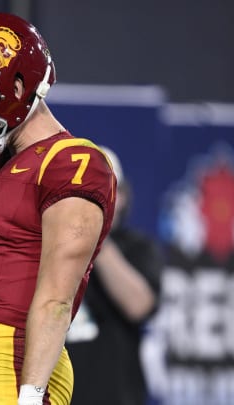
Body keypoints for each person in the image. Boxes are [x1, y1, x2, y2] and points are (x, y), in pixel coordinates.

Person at [0, 13, 117, 405]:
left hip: (14, 360)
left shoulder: (73, 161)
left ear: (16, 85)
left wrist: (30, 396)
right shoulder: (11, 161)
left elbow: (56, 300)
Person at [65, 147, 163, 405]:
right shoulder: (48, 246)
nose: (95, 199)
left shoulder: (137, 248)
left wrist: (97, 238)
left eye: (105, 189)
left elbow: (139, 305)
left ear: (124, 197)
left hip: (114, 395)